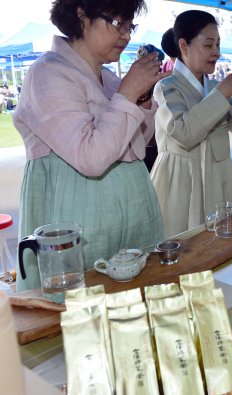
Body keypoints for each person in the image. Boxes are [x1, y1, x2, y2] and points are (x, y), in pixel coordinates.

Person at [13, 0, 169, 291]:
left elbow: (138, 144)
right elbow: (91, 157)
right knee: (83, 312)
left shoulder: (108, 79)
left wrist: (142, 99)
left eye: (130, 25)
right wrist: (128, 93)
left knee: (139, 304)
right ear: (81, 15)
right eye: (118, 23)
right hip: (79, 222)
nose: (126, 35)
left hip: (133, 215)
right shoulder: (48, 73)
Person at [151, 10, 232, 238]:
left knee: (222, 242)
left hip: (219, 175)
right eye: (209, 45)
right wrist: (221, 94)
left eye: (218, 45)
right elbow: (183, 133)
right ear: (184, 46)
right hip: (182, 181)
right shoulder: (167, 87)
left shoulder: (213, 87)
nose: (217, 53)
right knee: (186, 246)